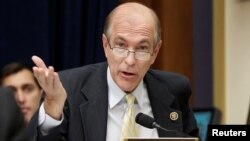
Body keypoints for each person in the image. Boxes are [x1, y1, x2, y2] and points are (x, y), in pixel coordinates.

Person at [29, 2, 199, 141]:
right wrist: (52, 112)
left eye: (142, 48)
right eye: (120, 45)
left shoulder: (175, 90)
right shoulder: (69, 89)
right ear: (105, 45)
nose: (130, 61)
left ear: (155, 52)